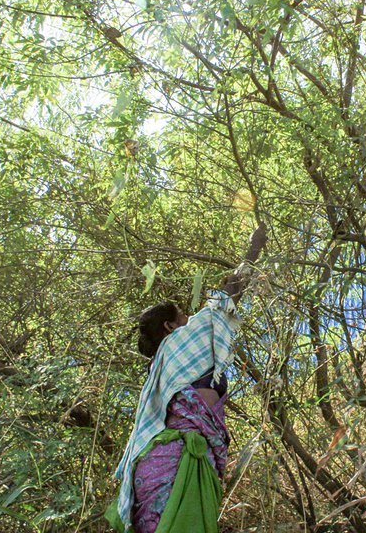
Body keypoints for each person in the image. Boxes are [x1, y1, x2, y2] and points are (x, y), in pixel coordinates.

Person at [110, 223, 267, 533]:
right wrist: (254, 246)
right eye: (183, 315)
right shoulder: (182, 342)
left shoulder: (159, 367)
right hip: (179, 460)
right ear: (171, 327)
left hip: (156, 466)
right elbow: (231, 292)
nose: (190, 318)